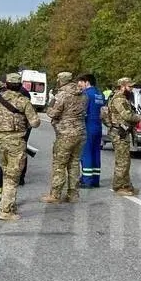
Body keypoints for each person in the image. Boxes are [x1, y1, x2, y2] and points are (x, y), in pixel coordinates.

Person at [0, 72, 41, 220]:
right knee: (12, 176)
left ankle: (9, 203)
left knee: (6, 172)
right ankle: (6, 211)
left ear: (6, 84)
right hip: (16, 142)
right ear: (20, 85)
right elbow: (35, 122)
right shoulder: (24, 102)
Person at [41, 71, 88, 204]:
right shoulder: (83, 95)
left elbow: (53, 113)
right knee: (74, 163)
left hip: (65, 133)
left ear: (61, 80)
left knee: (59, 164)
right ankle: (73, 194)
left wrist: (49, 105)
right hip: (81, 132)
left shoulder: (61, 95)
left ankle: (55, 194)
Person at [106, 76, 141, 195]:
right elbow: (127, 116)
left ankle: (126, 185)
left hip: (123, 133)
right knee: (122, 161)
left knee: (126, 160)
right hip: (119, 133)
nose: (131, 89)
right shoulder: (119, 99)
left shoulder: (124, 98)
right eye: (129, 86)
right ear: (122, 86)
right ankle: (119, 186)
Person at [78, 73, 105, 188]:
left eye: (81, 83)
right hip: (98, 127)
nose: (80, 85)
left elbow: (81, 112)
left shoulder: (86, 94)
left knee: (86, 153)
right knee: (95, 152)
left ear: (86, 82)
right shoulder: (100, 94)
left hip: (88, 125)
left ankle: (87, 180)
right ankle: (95, 179)